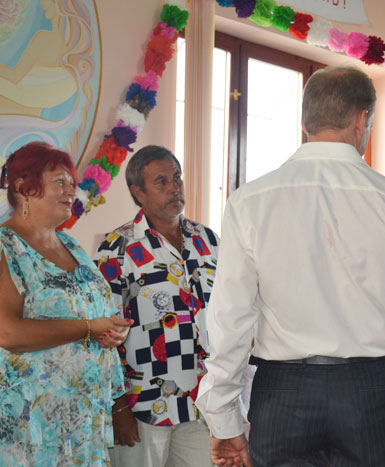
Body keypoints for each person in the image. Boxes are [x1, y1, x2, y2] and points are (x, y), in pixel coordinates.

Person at [195, 66, 385, 467]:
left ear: (305, 121)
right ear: (362, 120)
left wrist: (223, 417)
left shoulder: (249, 202)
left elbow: (230, 319)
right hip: (369, 393)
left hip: (282, 394)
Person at [0, 141, 131, 466]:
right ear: (23, 187)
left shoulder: (71, 245)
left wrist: (112, 332)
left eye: (72, 183)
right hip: (31, 426)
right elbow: (7, 332)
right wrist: (87, 328)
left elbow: (96, 313)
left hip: (84, 422)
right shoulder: (6, 247)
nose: (71, 190)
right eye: (60, 182)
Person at [93, 145, 220, 467]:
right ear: (138, 192)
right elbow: (101, 334)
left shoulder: (208, 240)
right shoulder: (117, 248)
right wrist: (118, 406)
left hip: (202, 401)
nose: (175, 187)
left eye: (177, 177)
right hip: (143, 404)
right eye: (161, 181)